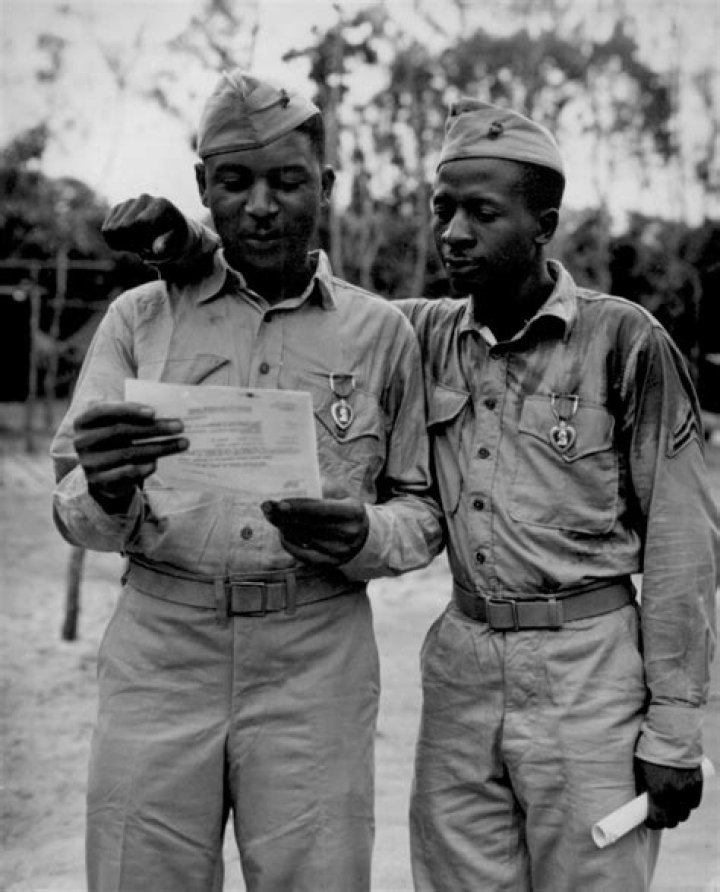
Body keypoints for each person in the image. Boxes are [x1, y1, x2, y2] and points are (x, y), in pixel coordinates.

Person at [105, 98, 718, 891]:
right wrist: (192, 252)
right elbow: (296, 314)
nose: (454, 232)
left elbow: (682, 542)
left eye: (483, 213)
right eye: (443, 209)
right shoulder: (418, 334)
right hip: (463, 662)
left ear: (545, 223)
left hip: (590, 666)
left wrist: (673, 728)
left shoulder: (624, 342)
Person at [51, 70, 443, 892]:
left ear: (326, 186)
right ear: (202, 187)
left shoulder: (379, 334)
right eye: (235, 180)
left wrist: (365, 535)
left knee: (319, 875)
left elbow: (422, 510)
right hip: (162, 646)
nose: (261, 204)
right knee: (138, 872)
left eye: (287, 180)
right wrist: (109, 491)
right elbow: (72, 505)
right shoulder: (139, 319)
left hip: (315, 654)